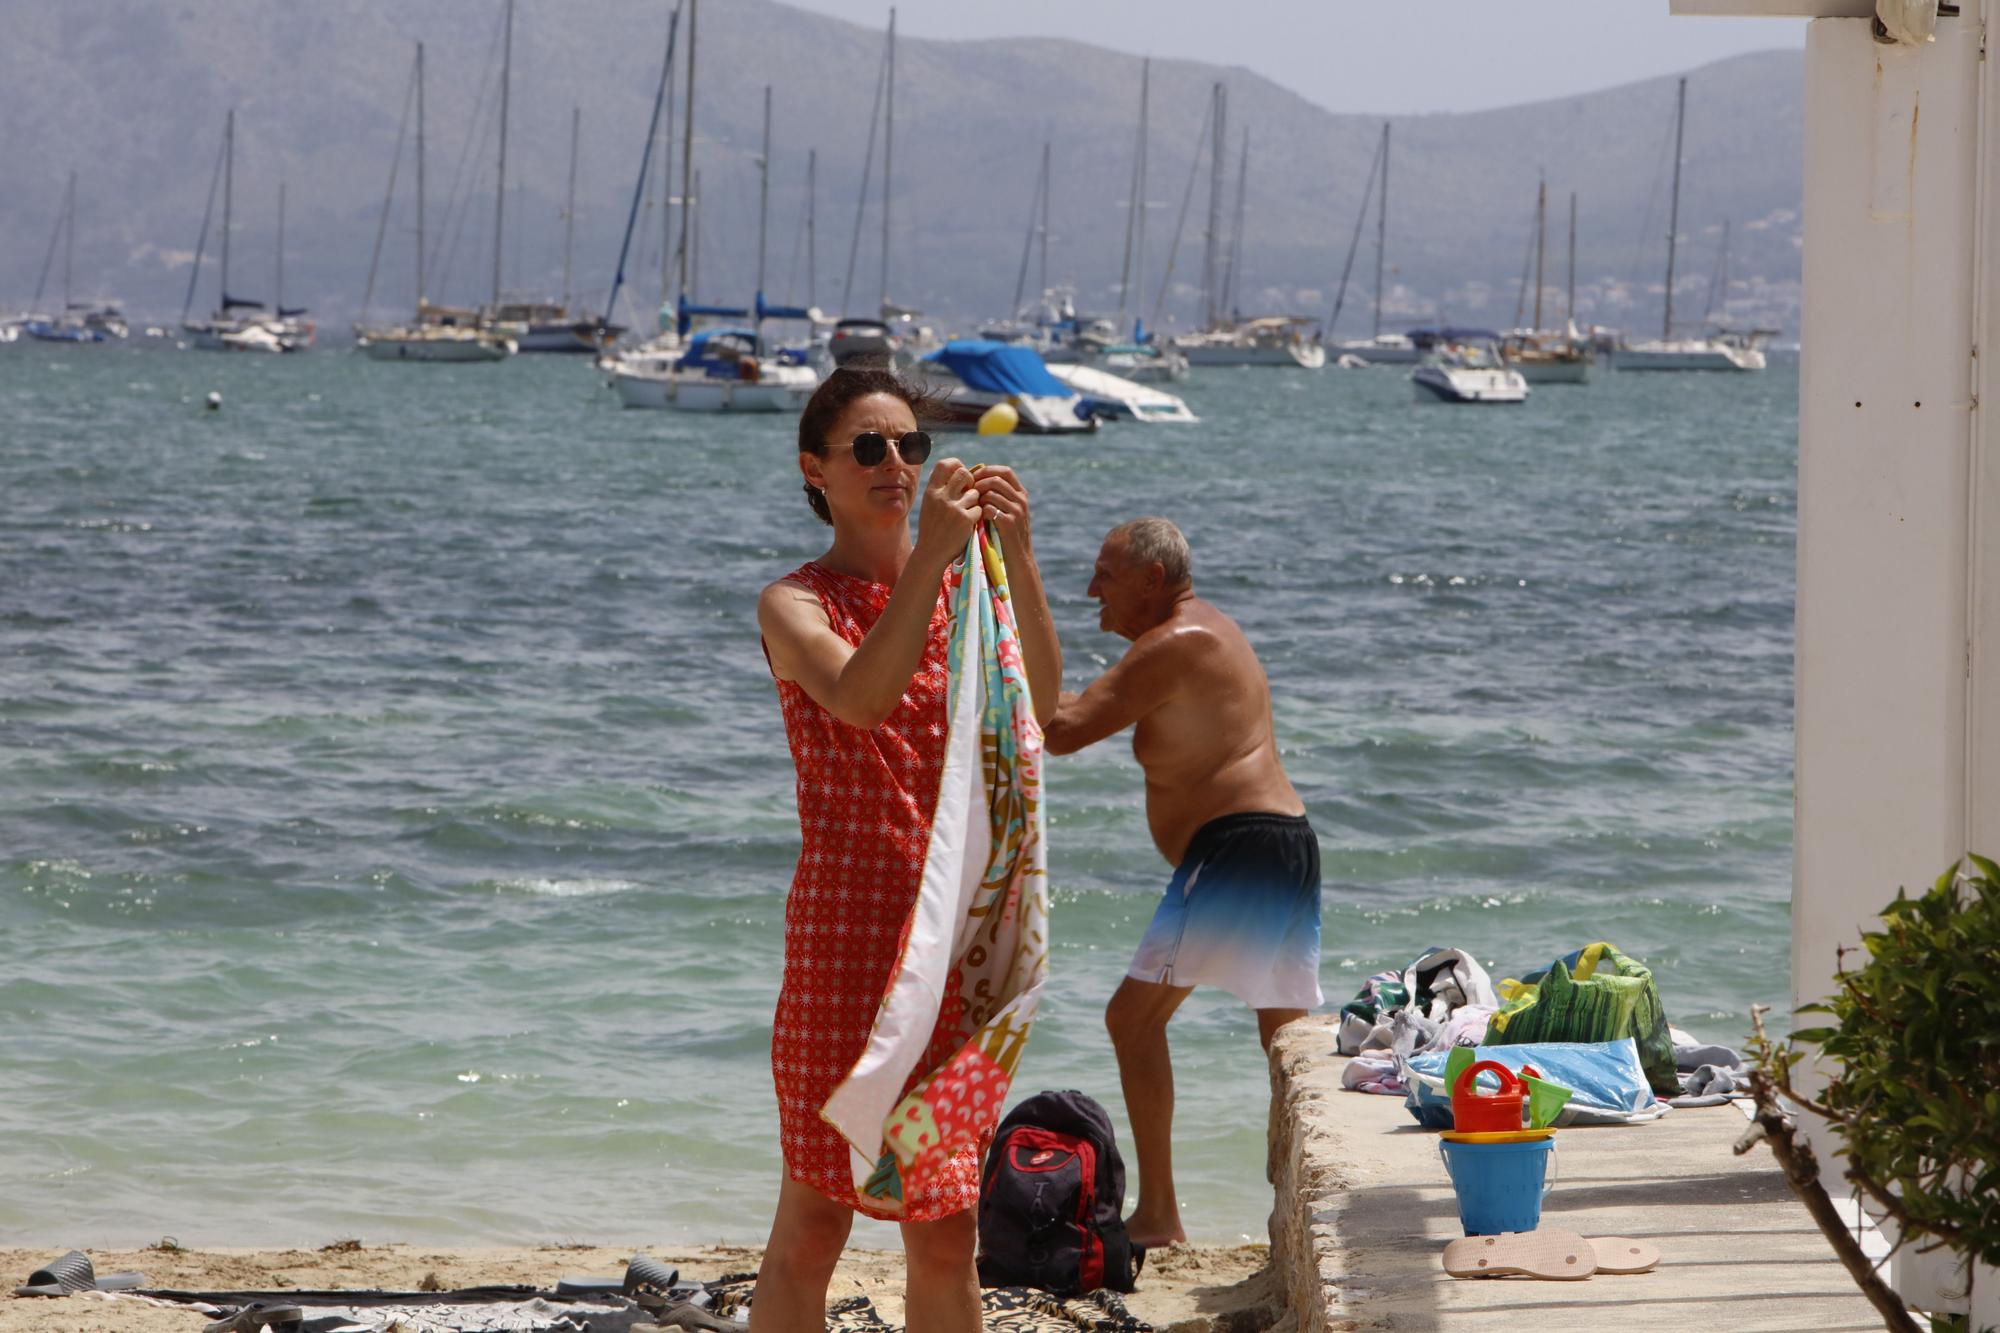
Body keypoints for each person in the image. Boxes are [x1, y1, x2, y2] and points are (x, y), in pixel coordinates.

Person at [751, 367, 1060, 1331]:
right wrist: (931, 558)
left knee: (944, 1226)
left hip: (953, 944)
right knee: (815, 1218)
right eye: (870, 449)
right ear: (817, 470)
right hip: (847, 941)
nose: (897, 464)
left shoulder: (970, 587)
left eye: (910, 447)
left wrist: (1019, 550)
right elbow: (861, 698)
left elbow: (1040, 709)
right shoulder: (795, 603)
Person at [1043, 517, 1321, 1250]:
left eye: (1104, 574)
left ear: (1151, 580)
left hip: (1243, 847)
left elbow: (1061, 728)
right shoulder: (1199, 632)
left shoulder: (1178, 641)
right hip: (1282, 843)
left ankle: (1160, 1215)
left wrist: (1019, 612)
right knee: (1286, 1043)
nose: (1091, 589)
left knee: (1132, 1020)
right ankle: (1298, 1211)